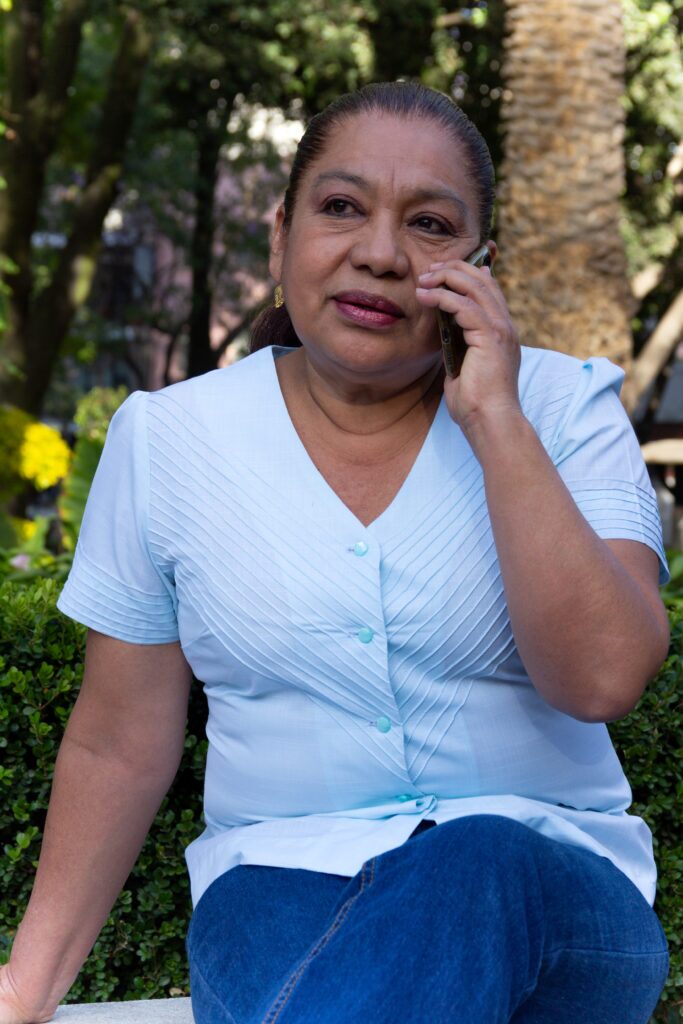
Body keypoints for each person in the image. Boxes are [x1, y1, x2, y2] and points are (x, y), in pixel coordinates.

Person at [0, 81, 672, 1024]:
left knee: (477, 857)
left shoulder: (564, 410)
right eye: (342, 207)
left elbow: (601, 679)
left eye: (429, 225)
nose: (381, 253)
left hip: (548, 886)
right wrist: (22, 990)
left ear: (481, 265)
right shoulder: (167, 439)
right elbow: (118, 740)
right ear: (282, 236)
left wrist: (495, 418)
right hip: (276, 893)